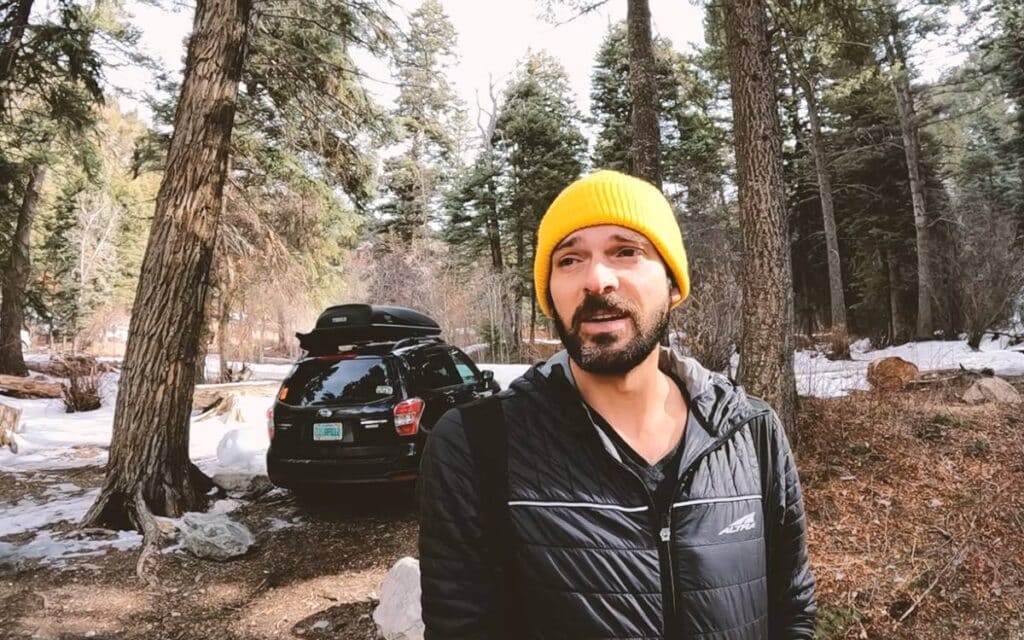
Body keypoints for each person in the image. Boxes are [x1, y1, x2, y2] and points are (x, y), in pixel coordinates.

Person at [418, 170, 816, 639]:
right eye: (569, 259)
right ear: (550, 294)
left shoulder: (750, 431)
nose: (596, 279)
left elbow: (792, 612)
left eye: (626, 251)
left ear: (672, 284)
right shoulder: (477, 445)